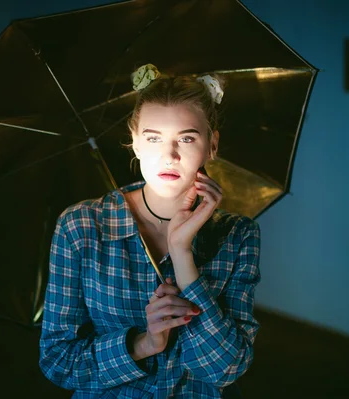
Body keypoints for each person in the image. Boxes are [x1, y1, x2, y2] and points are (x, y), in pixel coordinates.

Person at [39, 64, 261, 398]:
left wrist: (183, 255)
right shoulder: (81, 226)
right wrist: (144, 343)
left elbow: (226, 369)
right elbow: (58, 361)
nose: (169, 155)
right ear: (135, 143)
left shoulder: (238, 235)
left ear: (212, 145)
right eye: (153, 138)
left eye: (186, 138)